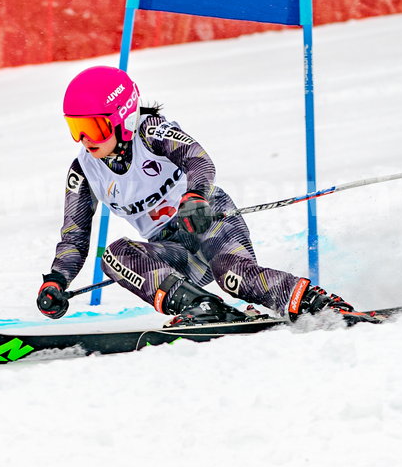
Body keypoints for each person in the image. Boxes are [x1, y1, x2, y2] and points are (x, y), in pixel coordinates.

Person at [36, 65, 355, 325]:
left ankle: (319, 303)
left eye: (93, 128)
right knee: (116, 256)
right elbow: (74, 236)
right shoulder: (84, 171)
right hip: (175, 250)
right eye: (74, 127)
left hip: (208, 219)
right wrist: (56, 281)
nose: (84, 139)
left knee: (232, 274)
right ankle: (202, 307)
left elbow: (198, 159)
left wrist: (195, 197)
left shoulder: (150, 133)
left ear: (123, 118)